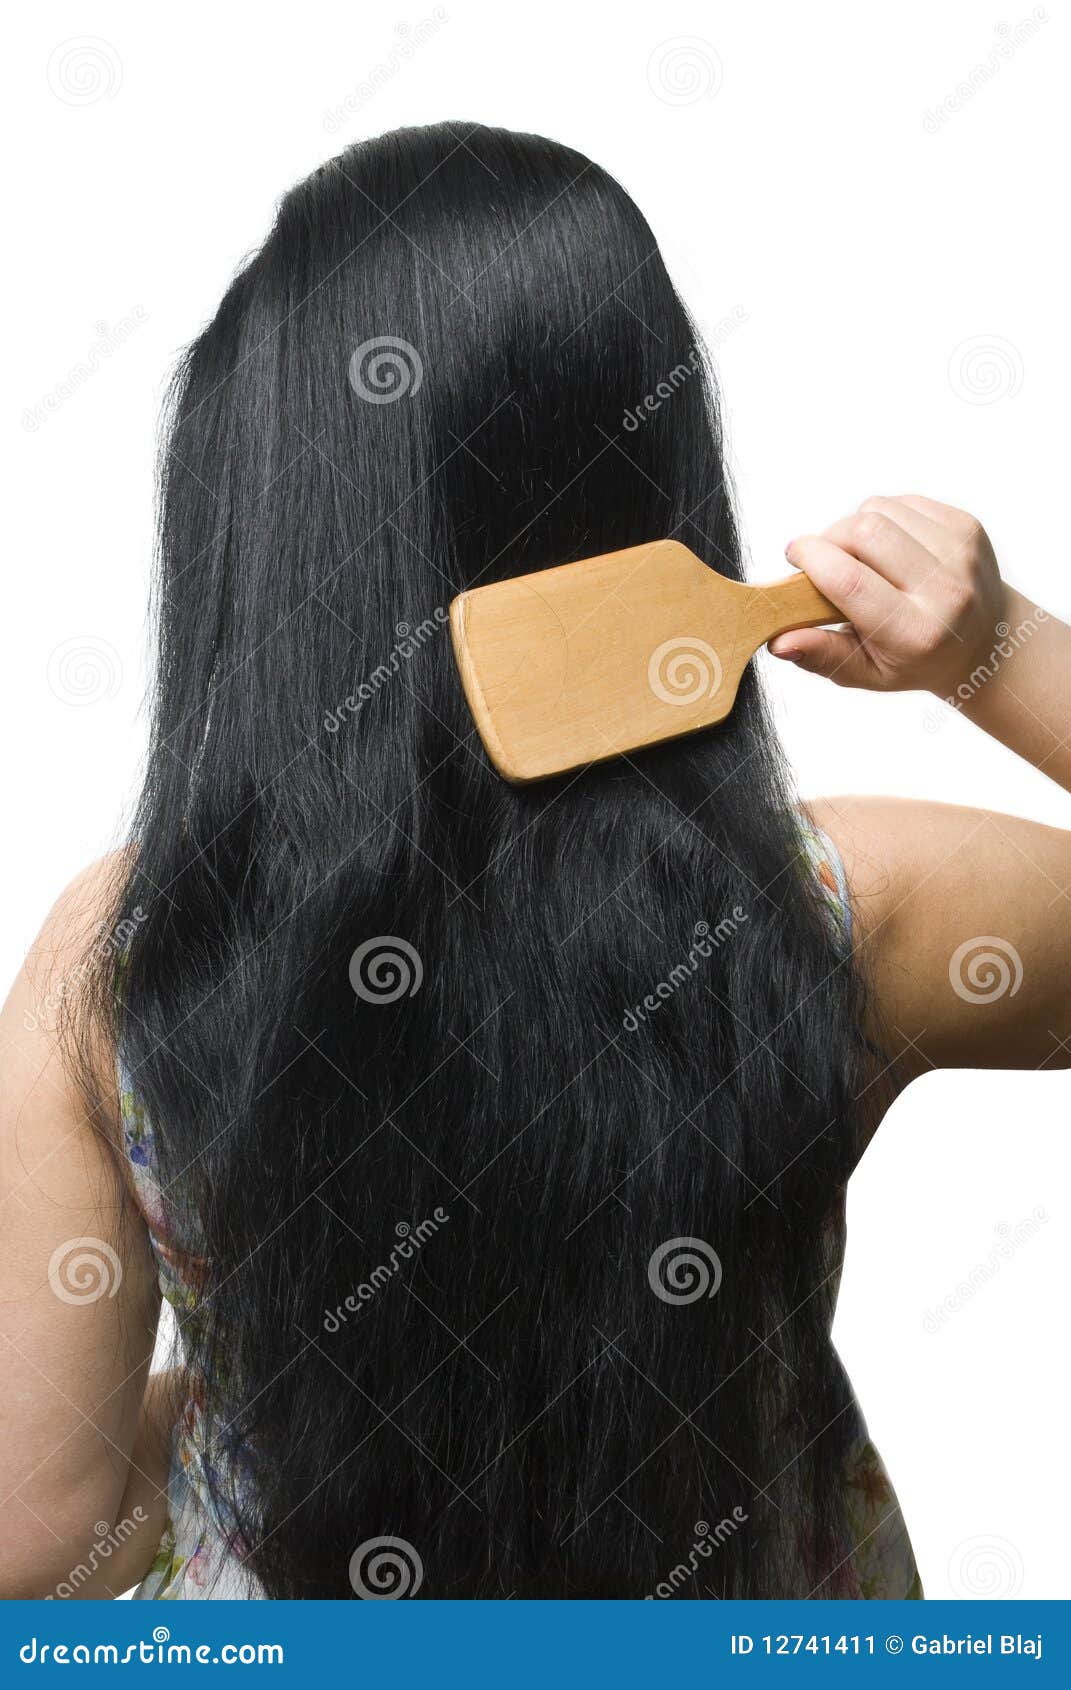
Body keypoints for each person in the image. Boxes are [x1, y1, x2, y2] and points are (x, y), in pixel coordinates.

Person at [1, 123, 1067, 1601]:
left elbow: (33, 1531)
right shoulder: (842, 911)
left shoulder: (124, 951)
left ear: (249, 510)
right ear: (645, 458)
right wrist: (999, 652)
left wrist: (275, 1384)